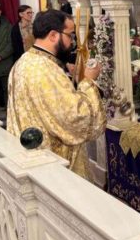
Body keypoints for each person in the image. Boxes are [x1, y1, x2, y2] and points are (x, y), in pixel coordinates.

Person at [6, 9, 106, 180]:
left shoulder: (23, 61)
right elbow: (76, 116)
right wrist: (88, 81)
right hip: (52, 167)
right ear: (53, 35)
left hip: (30, 158)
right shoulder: (45, 70)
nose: (73, 42)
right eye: (70, 35)